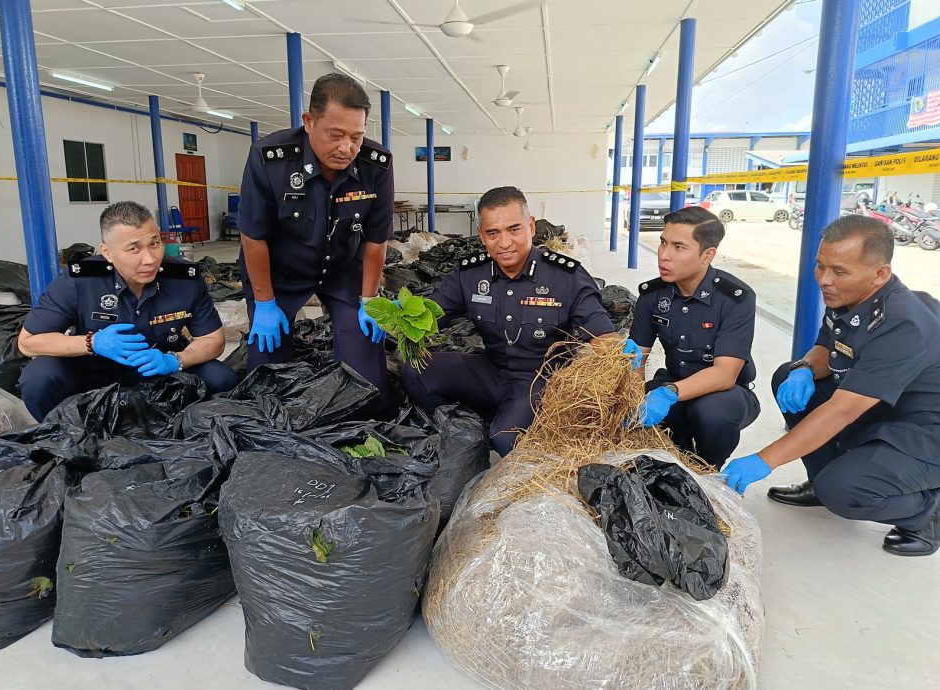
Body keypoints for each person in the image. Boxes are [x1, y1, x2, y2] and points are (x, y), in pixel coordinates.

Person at [722, 215, 940, 557]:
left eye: (839, 271)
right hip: (880, 405)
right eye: (820, 266)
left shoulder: (902, 325)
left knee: (845, 491)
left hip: (923, 432)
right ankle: (821, 483)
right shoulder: (851, 298)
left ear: (880, 273)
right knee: (787, 374)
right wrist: (805, 368)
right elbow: (829, 346)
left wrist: (764, 459)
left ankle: (926, 512)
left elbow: (841, 411)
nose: (824, 280)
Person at [400, 186, 615, 456]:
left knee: (505, 441)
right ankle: (461, 433)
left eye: (514, 229)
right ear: (481, 236)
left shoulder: (566, 276)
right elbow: (429, 315)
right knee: (415, 370)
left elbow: (602, 334)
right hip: (491, 370)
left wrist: (618, 359)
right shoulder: (470, 274)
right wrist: (396, 314)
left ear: (531, 226)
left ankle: (506, 424)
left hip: (540, 379)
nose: (504, 243)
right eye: (493, 233)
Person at [237, 72, 393, 401]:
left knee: (368, 370)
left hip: (342, 267)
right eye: (335, 134)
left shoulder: (376, 165)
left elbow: (377, 240)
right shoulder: (269, 160)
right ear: (309, 122)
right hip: (280, 272)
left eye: (356, 136)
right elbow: (253, 236)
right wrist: (264, 303)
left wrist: (369, 299)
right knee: (266, 370)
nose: (346, 147)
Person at [17, 201, 236, 421]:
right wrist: (92, 343)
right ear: (107, 252)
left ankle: (182, 434)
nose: (150, 259)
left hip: (161, 370)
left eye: (154, 243)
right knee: (40, 377)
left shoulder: (183, 279)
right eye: (134, 249)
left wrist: (176, 360)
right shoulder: (80, 281)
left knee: (220, 377)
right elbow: (28, 342)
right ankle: (67, 435)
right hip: (94, 373)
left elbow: (213, 339)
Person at [625, 206, 760, 469]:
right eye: (663, 243)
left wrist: (669, 393)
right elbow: (637, 360)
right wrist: (633, 396)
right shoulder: (652, 295)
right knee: (631, 416)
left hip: (725, 393)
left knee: (712, 414)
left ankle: (709, 470)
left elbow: (725, 375)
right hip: (672, 384)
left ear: (707, 255)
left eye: (679, 247)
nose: (664, 255)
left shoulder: (735, 298)